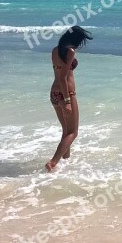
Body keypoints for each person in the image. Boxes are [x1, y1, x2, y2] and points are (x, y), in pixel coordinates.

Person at [45, 26, 93, 172]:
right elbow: (63, 77)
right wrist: (67, 101)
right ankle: (52, 163)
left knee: (66, 131)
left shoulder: (55, 50)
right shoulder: (70, 52)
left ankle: (66, 161)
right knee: (73, 132)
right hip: (66, 94)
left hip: (54, 93)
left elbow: (58, 72)